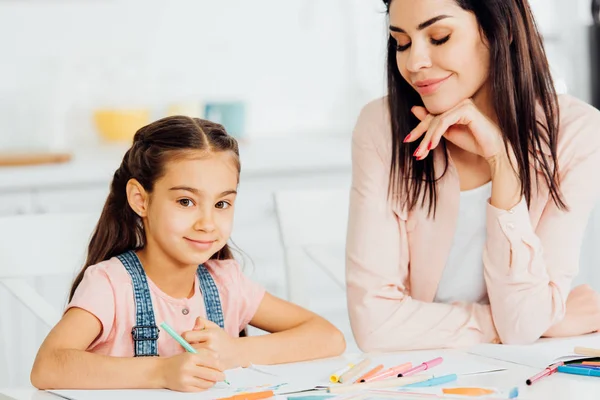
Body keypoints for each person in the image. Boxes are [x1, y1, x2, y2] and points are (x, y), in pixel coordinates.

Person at [346, 0, 600, 351]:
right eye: (401, 43)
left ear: (502, 30)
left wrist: (503, 162)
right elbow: (375, 326)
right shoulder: (381, 127)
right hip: (424, 377)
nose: (414, 62)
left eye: (439, 37)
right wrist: (544, 320)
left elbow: (524, 324)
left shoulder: (575, 133)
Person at [31, 116, 345, 392]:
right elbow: (48, 366)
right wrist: (160, 371)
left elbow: (328, 338)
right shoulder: (111, 285)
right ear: (140, 200)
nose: (207, 223)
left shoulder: (225, 284)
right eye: (185, 202)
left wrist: (235, 352)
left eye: (221, 204)